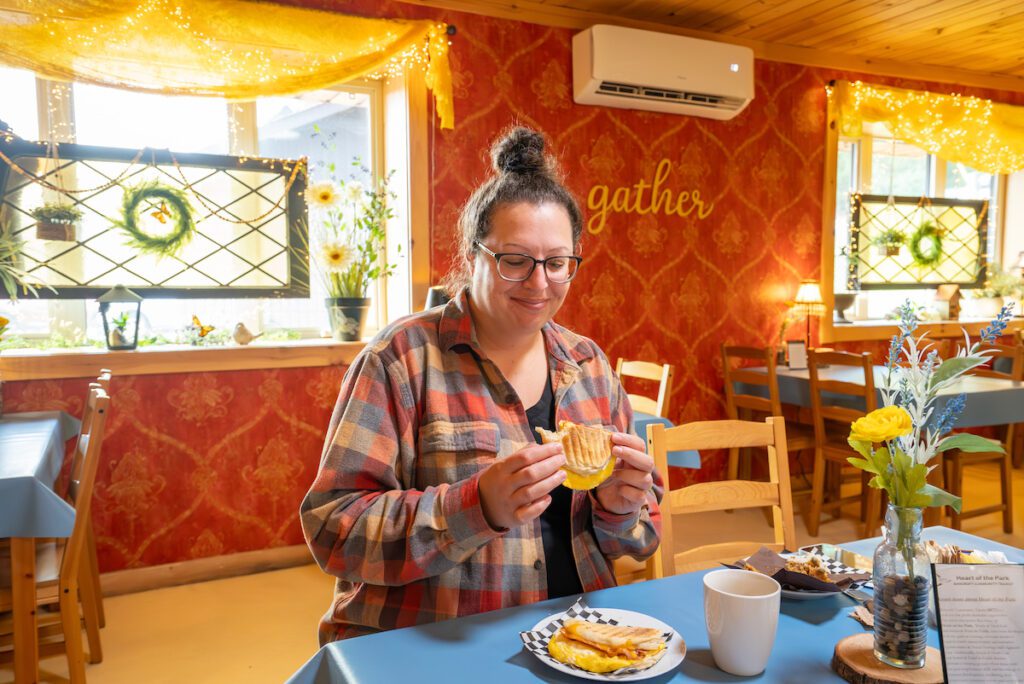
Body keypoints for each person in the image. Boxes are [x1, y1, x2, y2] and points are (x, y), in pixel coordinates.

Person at [301, 126, 662, 644]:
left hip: (577, 640)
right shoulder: (400, 360)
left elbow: (643, 535)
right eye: (515, 261)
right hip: (434, 643)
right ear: (473, 256)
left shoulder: (589, 365)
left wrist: (620, 507)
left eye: (557, 263)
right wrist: (476, 506)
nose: (539, 284)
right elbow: (334, 530)